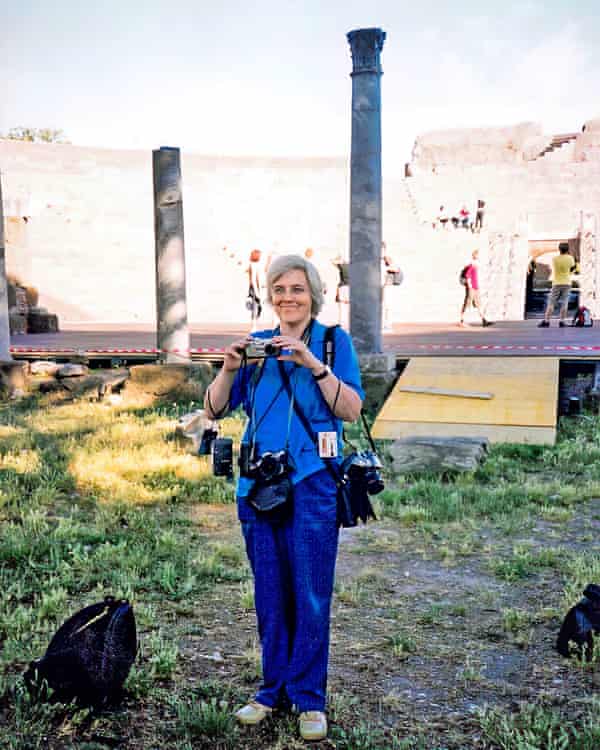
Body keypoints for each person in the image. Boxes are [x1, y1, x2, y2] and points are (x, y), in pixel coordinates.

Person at [203, 254, 364, 742]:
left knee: (311, 593)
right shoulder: (256, 347)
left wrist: (312, 364)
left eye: (297, 289)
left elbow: (351, 410)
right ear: (269, 296)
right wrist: (230, 368)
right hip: (256, 484)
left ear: (313, 294)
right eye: (279, 289)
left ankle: (309, 698)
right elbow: (212, 408)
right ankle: (271, 690)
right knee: (270, 593)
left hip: (312, 481)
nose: (288, 298)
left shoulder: (334, 343)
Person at [538, 242, 576, 328]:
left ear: (559, 249)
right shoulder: (570, 258)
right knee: (564, 302)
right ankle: (562, 321)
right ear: (568, 249)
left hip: (556, 283)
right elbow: (572, 268)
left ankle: (546, 321)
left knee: (551, 302)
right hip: (566, 282)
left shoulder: (555, 259)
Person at [459, 249, 493, 327]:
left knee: (478, 304)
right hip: (472, 289)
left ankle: (484, 320)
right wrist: (470, 287)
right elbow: (467, 276)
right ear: (475, 256)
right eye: (478, 255)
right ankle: (462, 320)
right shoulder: (472, 266)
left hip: (476, 288)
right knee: (467, 304)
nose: (479, 257)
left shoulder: (475, 266)